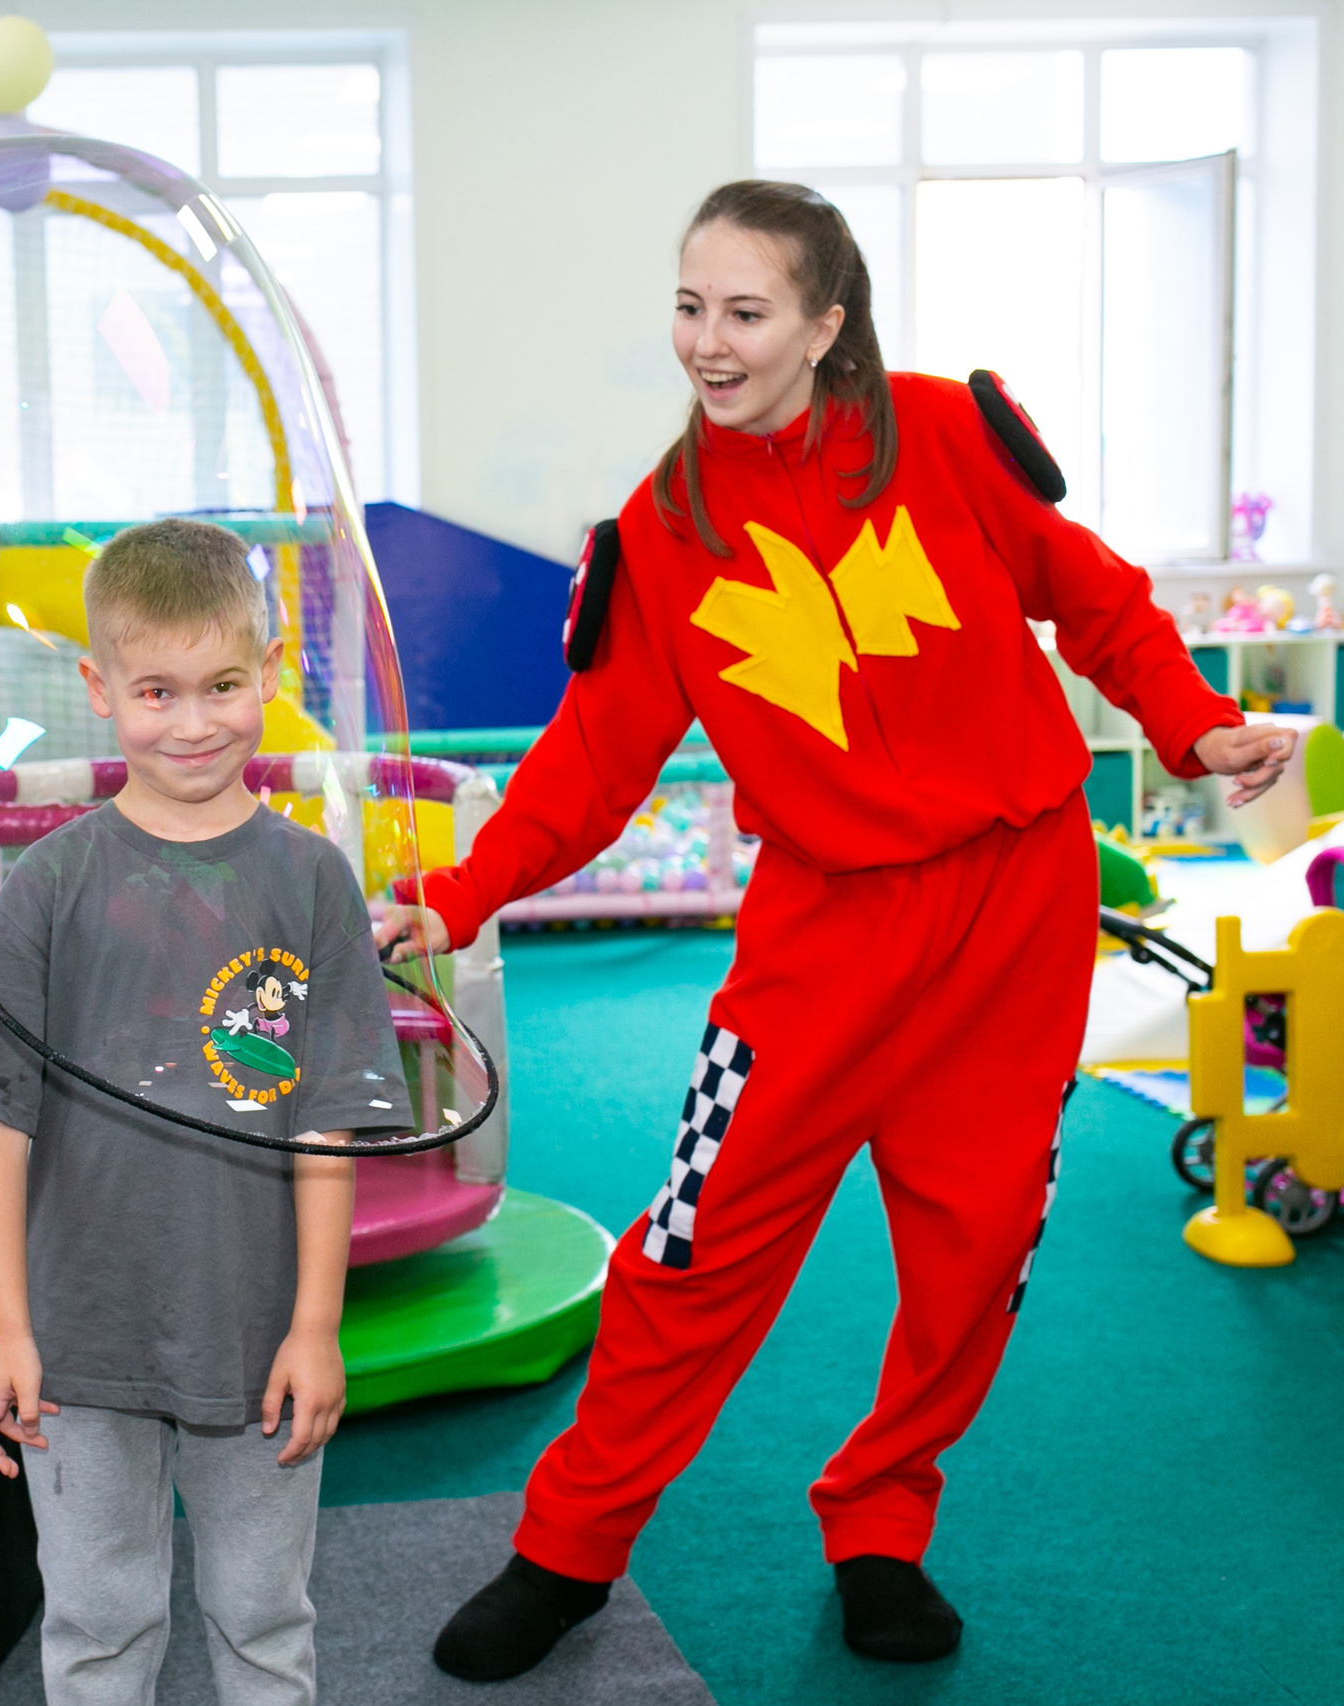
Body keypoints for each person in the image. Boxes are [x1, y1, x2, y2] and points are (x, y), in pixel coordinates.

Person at [375, 180, 1295, 1673]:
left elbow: (1102, 602)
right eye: (688, 305)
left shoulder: (945, 435)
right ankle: (569, 1548)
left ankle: (881, 1517)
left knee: (975, 1250)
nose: (707, 343)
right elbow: (590, 768)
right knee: (690, 1250)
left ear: (826, 322)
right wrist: (461, 890)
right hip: (818, 937)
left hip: (1017, 911)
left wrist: (1195, 727)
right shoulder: (662, 533)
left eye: (744, 312)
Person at [0, 518, 412, 1706]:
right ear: (100, 689)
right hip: (78, 1337)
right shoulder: (47, 886)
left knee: (261, 1614)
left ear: (271, 671)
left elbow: (325, 1121)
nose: (192, 722)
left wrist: (314, 1324)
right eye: (156, 689)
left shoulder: (310, 882)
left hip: (254, 1332)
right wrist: (10, 1326)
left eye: (222, 686)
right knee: (96, 1618)